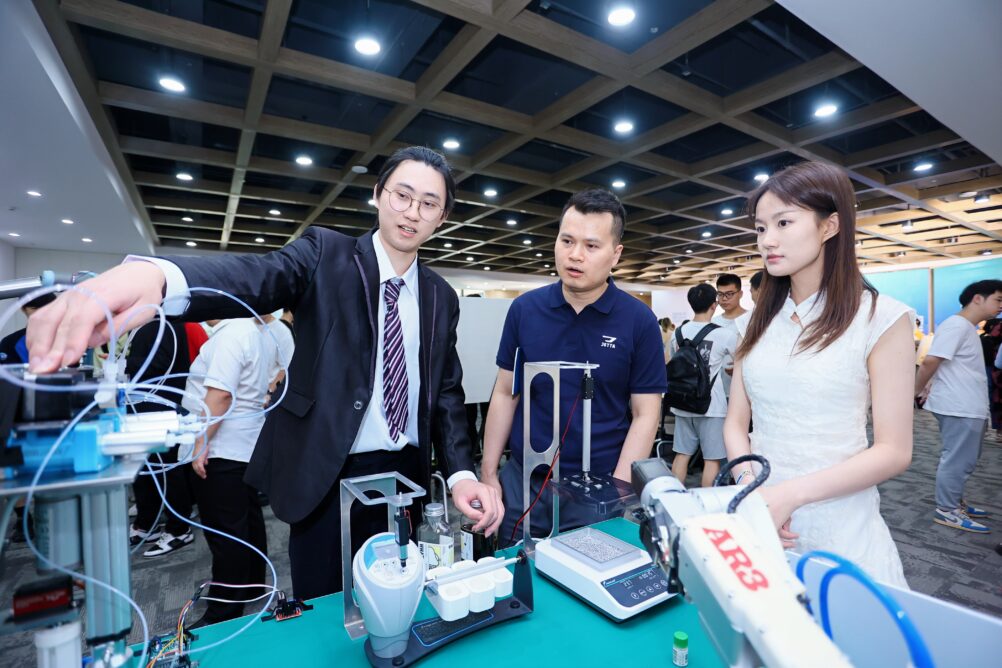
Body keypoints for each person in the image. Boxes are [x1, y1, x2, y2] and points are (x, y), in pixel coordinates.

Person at [25, 146, 503, 600]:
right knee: (322, 608)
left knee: (398, 592)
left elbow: (445, 393)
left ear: (442, 217)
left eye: (428, 203)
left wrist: (461, 474)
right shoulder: (326, 254)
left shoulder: (440, 296)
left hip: (404, 479)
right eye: (402, 195)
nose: (412, 212)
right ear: (378, 195)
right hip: (326, 471)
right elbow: (257, 276)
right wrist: (161, 278)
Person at [723, 161, 914, 587]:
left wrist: (789, 495)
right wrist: (751, 487)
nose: (767, 240)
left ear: (829, 226)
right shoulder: (752, 324)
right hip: (761, 516)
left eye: (784, 223)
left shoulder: (882, 318)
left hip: (842, 526)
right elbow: (736, 423)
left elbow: (894, 450)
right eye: (760, 228)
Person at [480, 189, 666, 546]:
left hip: (597, 486)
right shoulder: (525, 310)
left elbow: (646, 414)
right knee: (513, 568)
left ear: (616, 254)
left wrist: (618, 491)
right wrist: (489, 474)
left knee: (589, 572)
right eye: (567, 241)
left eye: (591, 246)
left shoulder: (638, 321)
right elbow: (505, 393)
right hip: (525, 481)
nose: (575, 255)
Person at [185, 318, 276, 627]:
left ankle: (224, 611)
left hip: (222, 446)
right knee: (245, 521)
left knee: (226, 533)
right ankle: (251, 586)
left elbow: (221, 395)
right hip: (242, 444)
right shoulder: (249, 330)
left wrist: (201, 442)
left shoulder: (232, 334)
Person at [915, 280, 1002, 533]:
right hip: (959, 405)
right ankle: (947, 509)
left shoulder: (964, 327)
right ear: (977, 298)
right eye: (998, 300)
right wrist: (915, 389)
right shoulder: (957, 325)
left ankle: (953, 502)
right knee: (958, 460)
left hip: (965, 404)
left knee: (965, 458)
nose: (1000, 306)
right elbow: (931, 361)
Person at [126, 318, 197, 557]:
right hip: (145, 407)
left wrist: (124, 364)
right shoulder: (149, 326)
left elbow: (160, 363)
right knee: (146, 471)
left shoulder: (162, 325)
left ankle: (179, 528)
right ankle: (147, 523)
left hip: (159, 408)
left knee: (166, 470)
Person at [669, 283, 736, 488]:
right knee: (712, 460)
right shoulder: (724, 334)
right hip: (711, 407)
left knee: (681, 455)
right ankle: (707, 503)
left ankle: (673, 499)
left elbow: (672, 363)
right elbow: (741, 361)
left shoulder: (678, 333)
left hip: (682, 403)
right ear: (714, 305)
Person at [0, 293, 56, 363]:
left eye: (46, 307)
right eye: (34, 308)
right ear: (23, 309)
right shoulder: (10, 342)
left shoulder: (66, 336)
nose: (41, 312)